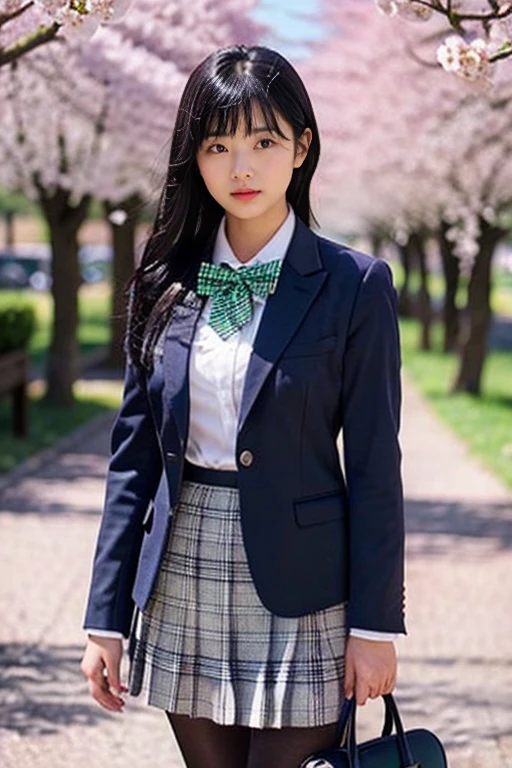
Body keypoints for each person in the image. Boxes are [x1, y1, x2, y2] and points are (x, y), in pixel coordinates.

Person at [81, 44, 406, 768]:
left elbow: (378, 463)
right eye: (217, 145)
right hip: (182, 567)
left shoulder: (355, 285)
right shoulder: (164, 282)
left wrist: (376, 624)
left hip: (306, 584)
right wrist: (104, 617)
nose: (242, 168)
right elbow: (131, 465)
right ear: (193, 159)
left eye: (263, 141)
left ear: (302, 147)